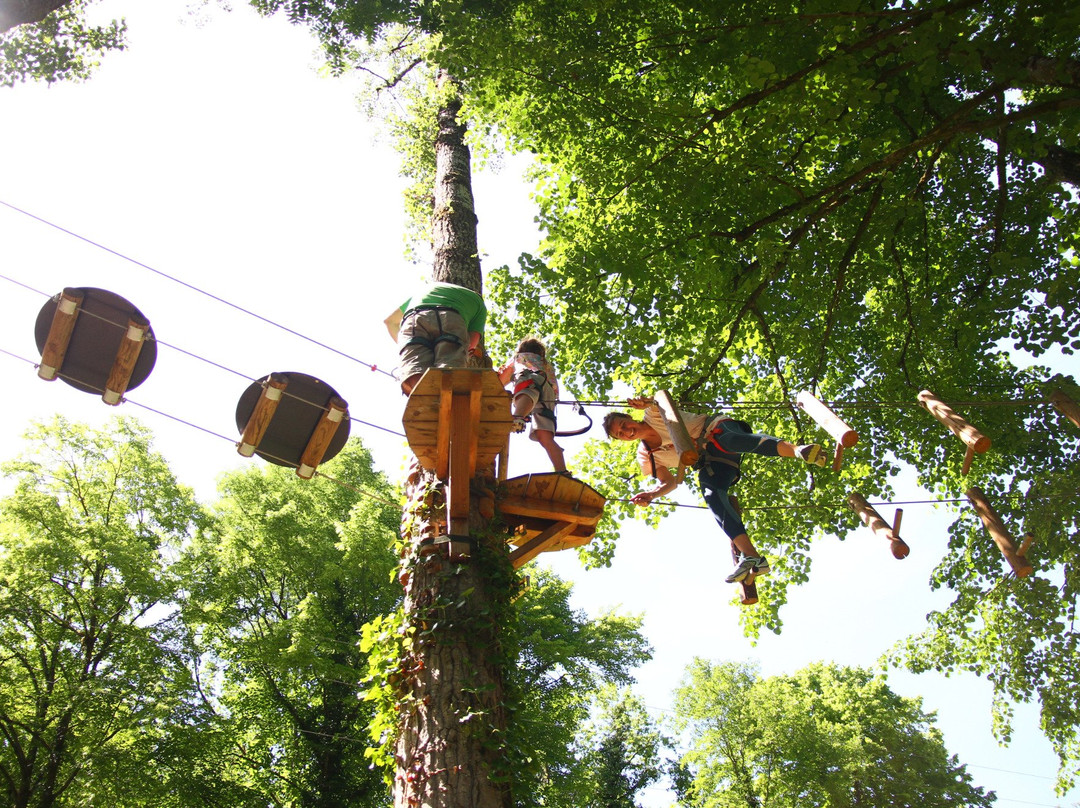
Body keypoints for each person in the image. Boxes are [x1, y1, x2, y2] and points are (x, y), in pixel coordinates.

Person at [603, 396, 826, 584]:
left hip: (717, 429)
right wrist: (652, 494)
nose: (626, 431)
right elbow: (669, 482)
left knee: (729, 440)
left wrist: (647, 402)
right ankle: (752, 557)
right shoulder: (647, 456)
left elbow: (659, 400)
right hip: (711, 460)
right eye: (620, 434)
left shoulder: (653, 415)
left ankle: (799, 451)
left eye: (623, 425)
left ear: (629, 417)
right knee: (711, 494)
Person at [385, 281, 487, 395]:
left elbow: (390, 322)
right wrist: (464, 353)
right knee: (450, 369)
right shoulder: (478, 303)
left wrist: (408, 345)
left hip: (413, 318)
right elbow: (472, 341)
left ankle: (422, 396)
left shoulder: (424, 291)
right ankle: (446, 398)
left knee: (414, 369)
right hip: (450, 317)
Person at [497, 338, 568, 474]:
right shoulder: (546, 364)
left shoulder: (519, 358)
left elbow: (502, 379)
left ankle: (518, 416)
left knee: (527, 391)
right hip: (548, 393)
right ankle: (562, 470)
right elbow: (554, 385)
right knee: (545, 436)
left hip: (531, 378)